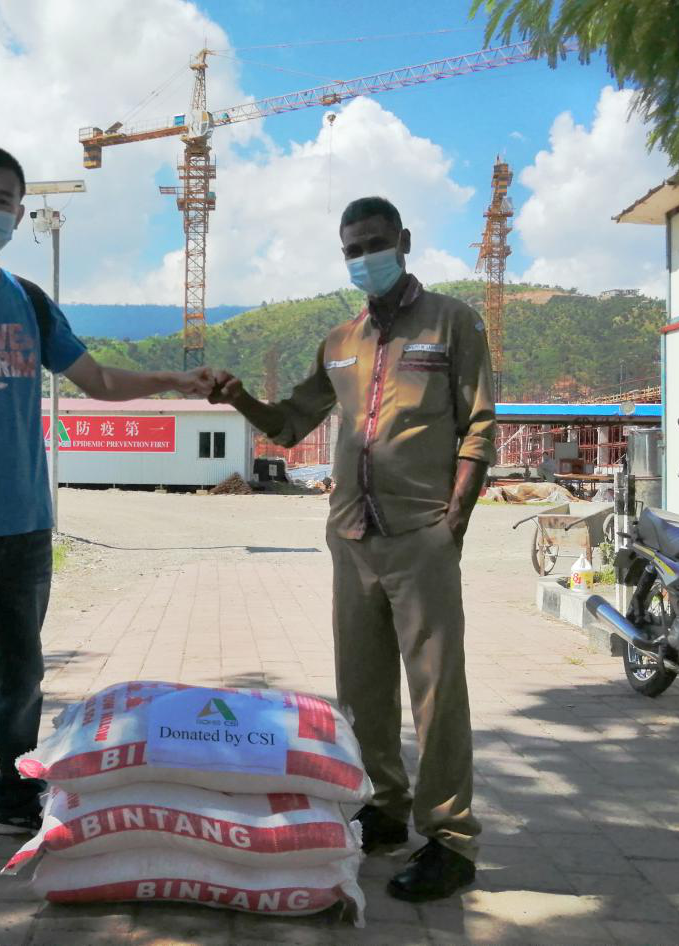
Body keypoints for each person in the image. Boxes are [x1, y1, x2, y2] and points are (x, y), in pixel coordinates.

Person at [0, 144, 214, 884]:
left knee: (21, 678)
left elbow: (97, 380)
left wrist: (173, 377)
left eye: (3, 200)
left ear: (19, 214)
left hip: (25, 526)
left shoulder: (29, 302)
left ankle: (15, 798)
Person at [210, 196, 495, 901]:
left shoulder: (452, 322)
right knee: (361, 689)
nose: (364, 257)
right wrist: (239, 397)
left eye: (374, 243)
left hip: (421, 533)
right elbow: (288, 425)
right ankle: (384, 808)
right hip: (351, 535)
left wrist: (452, 522)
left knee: (436, 691)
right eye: (352, 249)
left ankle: (450, 839)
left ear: (404, 239)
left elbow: (478, 426)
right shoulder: (339, 341)